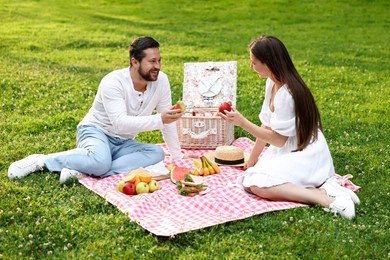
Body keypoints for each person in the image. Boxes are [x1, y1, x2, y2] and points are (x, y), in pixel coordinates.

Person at [8, 36, 185, 184]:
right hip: (95, 131)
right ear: (135, 61)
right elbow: (121, 123)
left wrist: (177, 158)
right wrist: (160, 119)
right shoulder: (113, 82)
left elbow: (167, 123)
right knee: (100, 160)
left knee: (156, 153)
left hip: (123, 142)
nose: (158, 66)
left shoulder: (161, 81)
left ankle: (87, 170)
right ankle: (42, 160)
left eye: (159, 60)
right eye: (152, 61)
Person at [219, 35, 360, 220]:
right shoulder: (272, 83)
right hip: (289, 148)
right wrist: (252, 159)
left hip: (305, 153)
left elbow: (278, 139)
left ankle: (321, 197)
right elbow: (267, 124)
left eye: (254, 62)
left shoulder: (287, 94)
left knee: (258, 185)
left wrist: (243, 123)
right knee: (253, 176)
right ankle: (327, 188)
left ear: (268, 63)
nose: (251, 66)